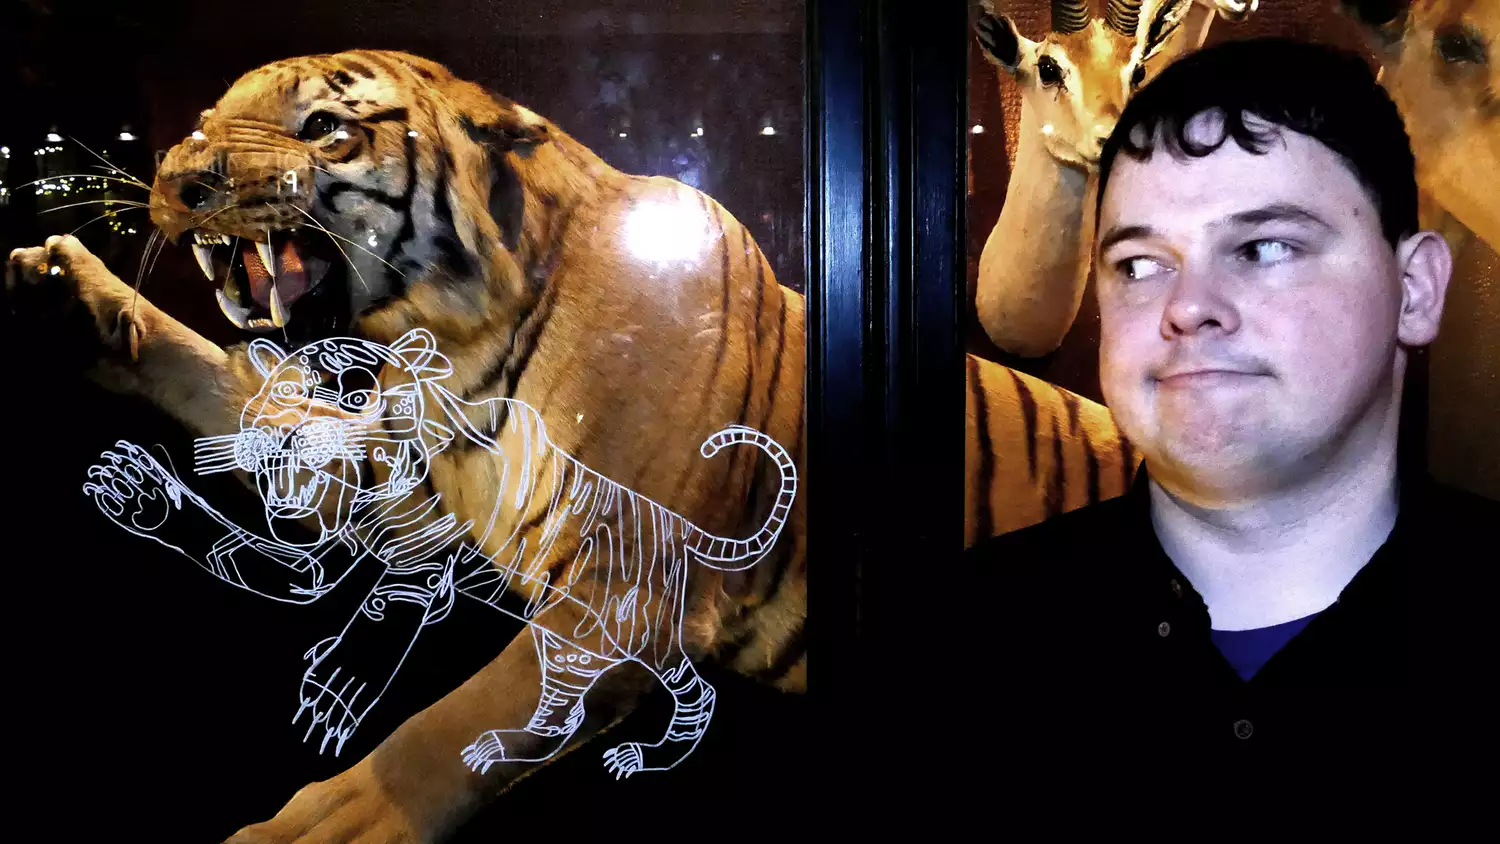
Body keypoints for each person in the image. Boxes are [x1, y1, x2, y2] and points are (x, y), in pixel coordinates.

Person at [960, 37, 1498, 775]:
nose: (1188, 307)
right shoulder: (954, 642)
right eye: (1140, 265)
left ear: (1416, 290)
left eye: (1265, 247)